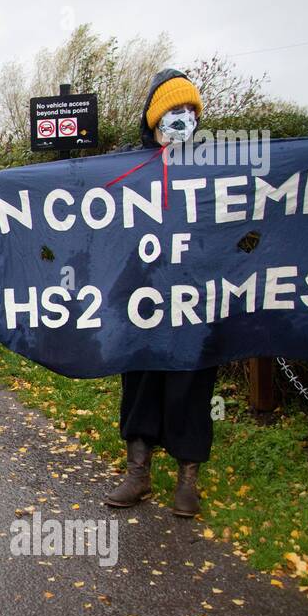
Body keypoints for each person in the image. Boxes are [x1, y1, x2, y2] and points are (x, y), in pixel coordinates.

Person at [104, 70, 214, 518]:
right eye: (172, 112)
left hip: (195, 299)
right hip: (143, 299)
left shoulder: (215, 167)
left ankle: (189, 478)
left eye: (189, 111)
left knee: (191, 383)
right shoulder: (131, 169)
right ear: (153, 120)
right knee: (142, 382)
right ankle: (139, 471)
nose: (182, 119)